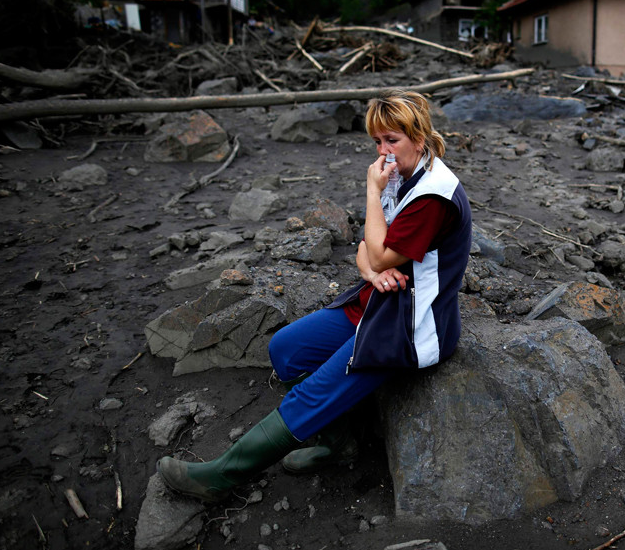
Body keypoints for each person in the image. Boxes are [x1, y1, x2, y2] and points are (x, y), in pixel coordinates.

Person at [157, 90, 472, 501]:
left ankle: (221, 476)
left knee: (313, 392)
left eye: (391, 140)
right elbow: (365, 251)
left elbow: (376, 249)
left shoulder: (433, 194)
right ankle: (339, 444)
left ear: (418, 135)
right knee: (286, 349)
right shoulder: (406, 174)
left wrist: (371, 195)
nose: (382, 152)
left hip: (411, 325)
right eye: (377, 142)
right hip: (381, 299)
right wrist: (370, 272)